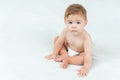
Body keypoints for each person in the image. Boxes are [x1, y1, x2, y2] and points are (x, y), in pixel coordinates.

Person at [45, 4, 92, 77]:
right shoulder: (65, 31)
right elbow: (59, 42)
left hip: (79, 52)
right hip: (68, 46)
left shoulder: (86, 38)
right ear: (65, 22)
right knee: (57, 39)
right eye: (70, 22)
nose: (74, 26)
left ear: (85, 23)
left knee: (84, 57)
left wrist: (85, 68)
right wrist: (54, 53)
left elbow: (88, 55)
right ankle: (64, 54)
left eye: (78, 22)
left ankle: (69, 60)